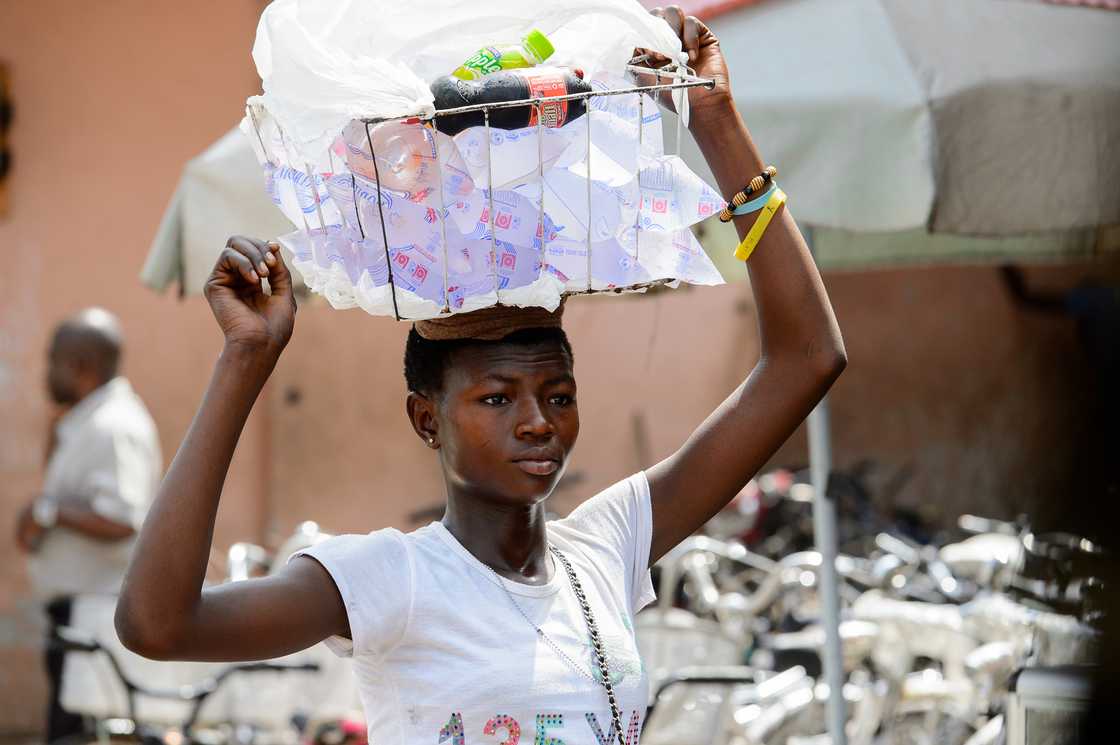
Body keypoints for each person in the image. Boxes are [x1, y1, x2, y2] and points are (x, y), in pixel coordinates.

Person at [115, 8, 846, 744]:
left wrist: (715, 122)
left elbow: (808, 359)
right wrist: (246, 360)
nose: (538, 422)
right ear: (425, 417)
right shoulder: (390, 579)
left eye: (558, 395)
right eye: (497, 397)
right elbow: (156, 623)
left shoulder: (606, 545)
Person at [15, 307, 162, 743]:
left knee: (75, 735)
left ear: (79, 366)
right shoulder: (87, 422)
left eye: (52, 361)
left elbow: (123, 519)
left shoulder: (113, 427)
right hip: (78, 613)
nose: (47, 373)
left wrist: (49, 513)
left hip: (96, 616)